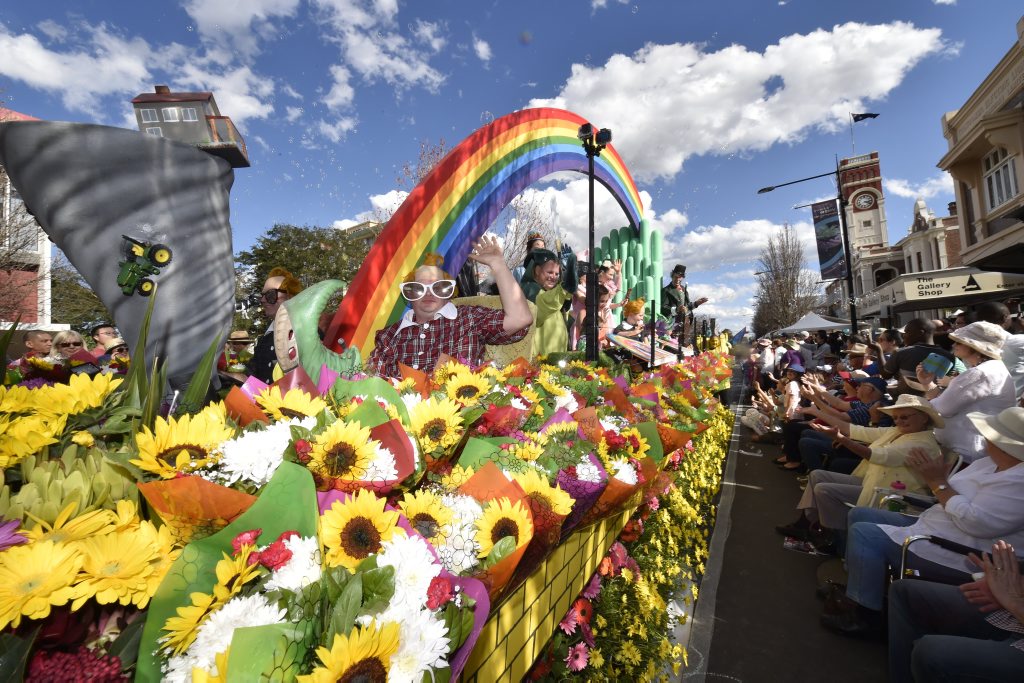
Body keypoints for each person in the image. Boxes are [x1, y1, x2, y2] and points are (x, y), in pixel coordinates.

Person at [824, 406, 1024, 637]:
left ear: (1003, 444)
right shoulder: (987, 463)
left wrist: (937, 482)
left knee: (864, 534)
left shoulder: (1018, 482)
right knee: (860, 514)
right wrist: (939, 482)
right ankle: (859, 588)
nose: (985, 437)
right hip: (937, 527)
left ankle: (866, 615)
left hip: (960, 551)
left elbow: (975, 523)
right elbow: (949, 492)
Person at [777, 394, 944, 552]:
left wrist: (841, 438)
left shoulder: (922, 443)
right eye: (896, 418)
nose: (899, 421)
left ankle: (838, 541)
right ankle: (806, 524)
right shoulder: (897, 431)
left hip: (891, 496)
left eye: (905, 417)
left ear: (924, 418)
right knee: (817, 475)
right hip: (872, 483)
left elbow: (878, 455)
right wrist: (826, 423)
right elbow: (852, 429)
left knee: (824, 490)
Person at [367, 234, 532, 377]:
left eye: (438, 287)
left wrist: (498, 265)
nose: (428, 293)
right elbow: (374, 383)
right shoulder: (388, 336)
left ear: (449, 292)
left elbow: (520, 318)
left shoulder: (469, 318)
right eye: (419, 288)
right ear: (409, 294)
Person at [888, 540, 1024, 683]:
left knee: (932, 652)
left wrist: (1014, 600)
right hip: (1013, 617)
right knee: (905, 593)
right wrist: (1012, 582)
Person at [915, 321, 1017, 464]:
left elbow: (942, 408)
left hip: (967, 452)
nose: (954, 345)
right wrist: (927, 383)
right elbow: (946, 403)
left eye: (959, 342)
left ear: (974, 346)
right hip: (971, 449)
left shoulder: (981, 372)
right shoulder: (988, 369)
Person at [519, 246, 577, 357]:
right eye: (550, 272)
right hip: (539, 361)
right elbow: (543, 305)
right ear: (537, 270)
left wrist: (567, 289)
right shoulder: (529, 289)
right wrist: (564, 289)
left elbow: (563, 308)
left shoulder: (549, 291)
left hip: (556, 358)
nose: (554, 277)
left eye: (557, 274)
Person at [248, 267, 303, 383]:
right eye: (262, 295)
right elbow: (252, 377)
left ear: (290, 296)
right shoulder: (264, 341)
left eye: (270, 294)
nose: (263, 300)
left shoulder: (308, 333)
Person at [882, 318, 955, 396]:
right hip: (935, 400)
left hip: (907, 401)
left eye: (906, 332)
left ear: (921, 333)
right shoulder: (949, 356)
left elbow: (886, 375)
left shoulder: (901, 353)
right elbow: (946, 385)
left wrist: (878, 350)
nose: (903, 336)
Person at [660, 264, 707, 346]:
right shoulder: (666, 290)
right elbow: (663, 308)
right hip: (672, 325)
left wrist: (696, 303)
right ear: (672, 275)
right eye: (676, 277)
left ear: (682, 278)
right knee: (673, 346)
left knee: (684, 346)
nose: (678, 279)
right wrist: (676, 310)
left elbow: (687, 307)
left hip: (685, 324)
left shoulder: (684, 289)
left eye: (680, 277)